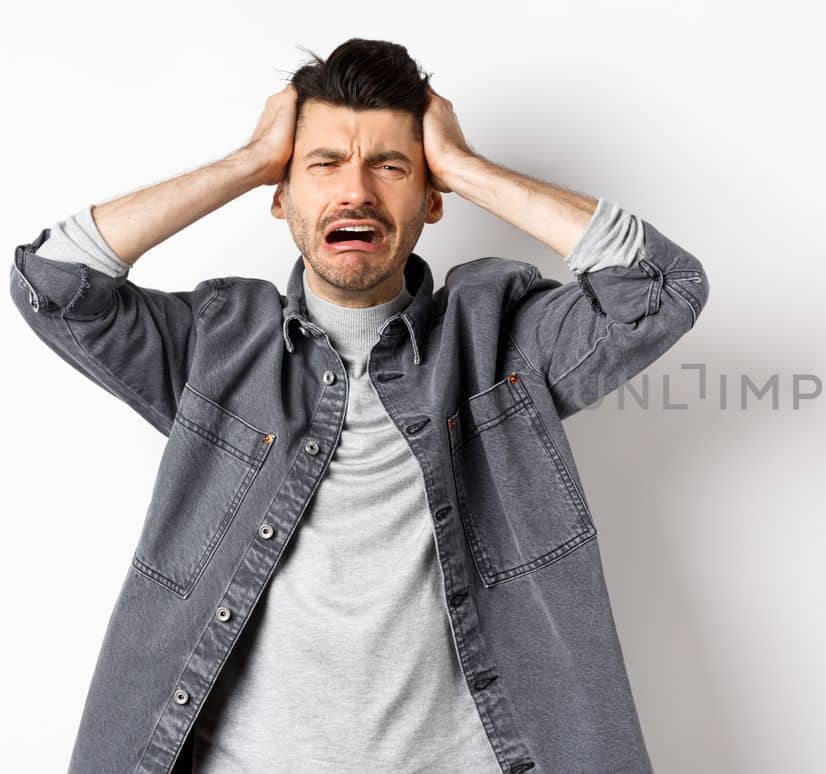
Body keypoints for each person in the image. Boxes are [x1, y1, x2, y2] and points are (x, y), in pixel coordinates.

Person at [9, 38, 709, 773]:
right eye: (323, 164)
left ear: (432, 197)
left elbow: (661, 290)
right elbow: (53, 283)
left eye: (390, 165)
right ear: (281, 196)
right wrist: (248, 161)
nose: (357, 193)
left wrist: (466, 167)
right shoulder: (215, 346)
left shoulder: (501, 339)